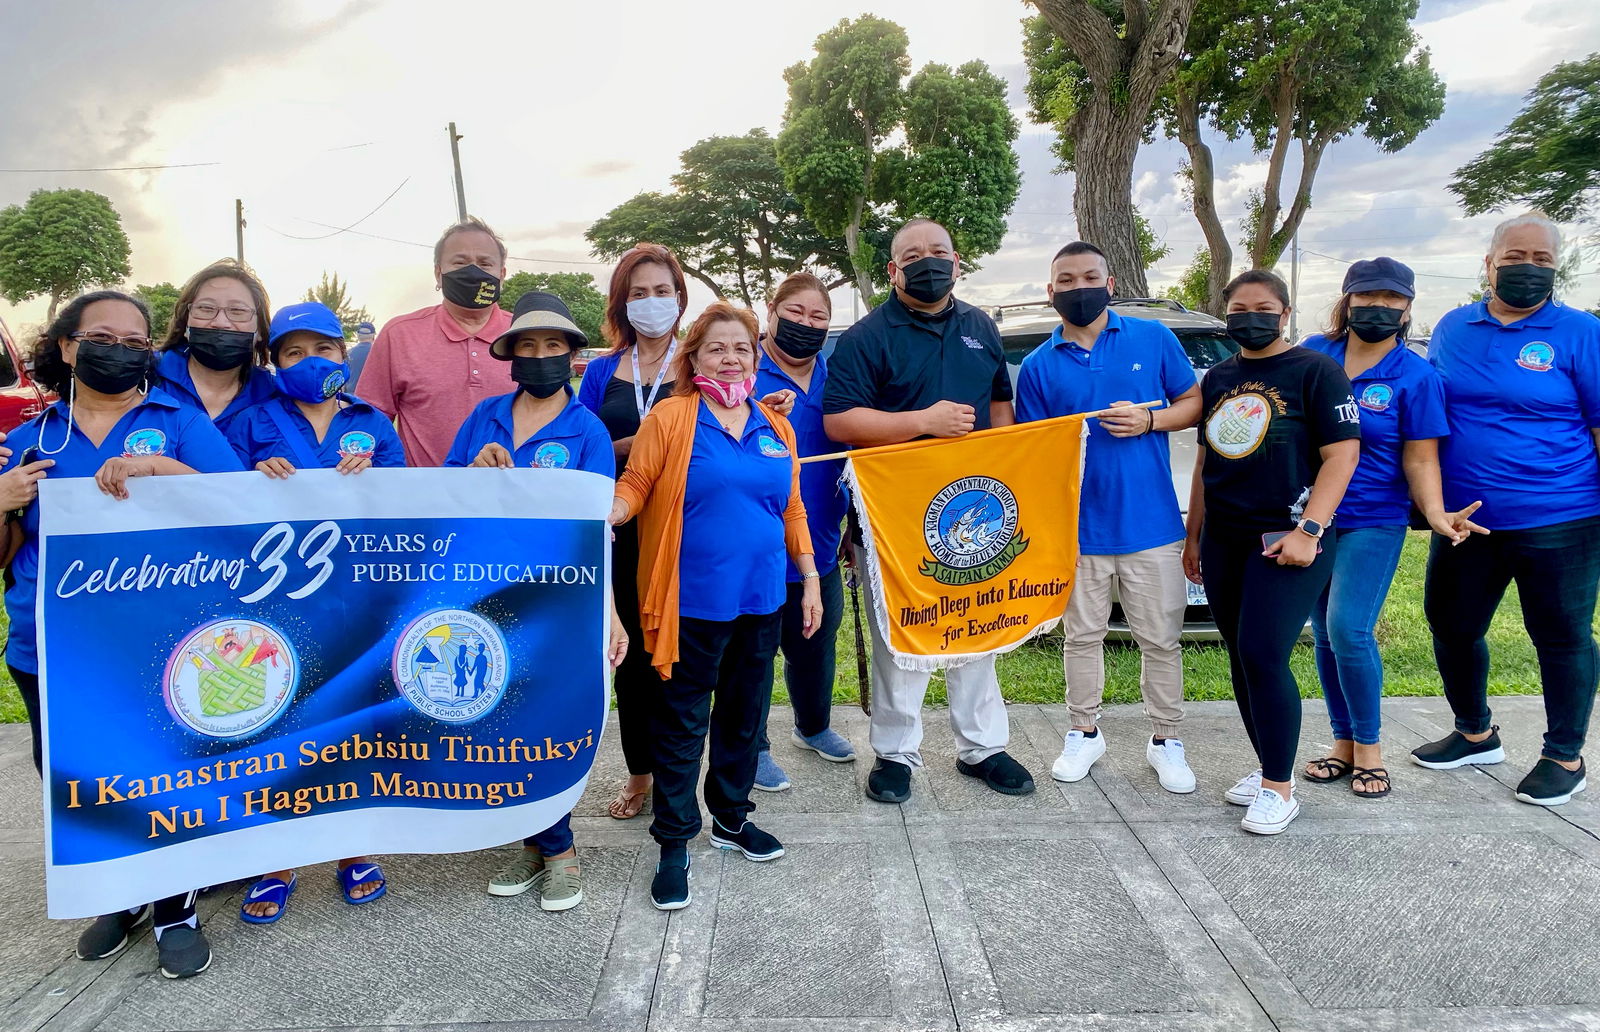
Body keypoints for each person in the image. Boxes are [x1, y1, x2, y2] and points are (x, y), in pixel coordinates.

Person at [0, 290, 241, 978]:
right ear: (69, 346)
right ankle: (120, 893)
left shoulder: (179, 423)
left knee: (163, 773)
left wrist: (162, 470)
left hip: (159, 645)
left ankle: (175, 905)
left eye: (137, 343)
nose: (121, 350)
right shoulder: (32, 438)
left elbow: (240, 510)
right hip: (49, 648)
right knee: (77, 780)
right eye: (103, 337)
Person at [609, 301, 822, 911]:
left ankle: (731, 818)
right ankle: (675, 842)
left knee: (744, 718)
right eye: (716, 348)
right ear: (693, 357)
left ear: (755, 357)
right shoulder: (673, 417)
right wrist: (614, 513)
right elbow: (638, 484)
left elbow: (793, 509)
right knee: (680, 726)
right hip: (689, 608)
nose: (731, 357)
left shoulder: (774, 426)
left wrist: (807, 577)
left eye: (741, 348)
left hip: (760, 602)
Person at [821, 217, 1033, 804]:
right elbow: (839, 421)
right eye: (912, 254)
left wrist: (1002, 465)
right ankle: (895, 752)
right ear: (893, 270)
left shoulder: (980, 326)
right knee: (902, 637)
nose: (927, 261)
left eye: (938, 251)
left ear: (957, 261)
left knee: (977, 622)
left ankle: (983, 746)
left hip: (973, 509)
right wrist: (920, 424)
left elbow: (998, 404)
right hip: (890, 519)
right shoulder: (867, 337)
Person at [446, 291, 628, 909]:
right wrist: (474, 470)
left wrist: (610, 614)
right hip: (484, 594)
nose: (541, 356)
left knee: (550, 719)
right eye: (528, 346)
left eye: (554, 347)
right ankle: (533, 846)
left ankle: (562, 852)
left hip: (557, 604)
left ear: (574, 358)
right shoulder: (484, 417)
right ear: (511, 356)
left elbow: (595, 530)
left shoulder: (588, 431)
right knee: (498, 718)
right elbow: (443, 500)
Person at [225, 301, 404, 923]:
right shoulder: (253, 422)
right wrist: (252, 476)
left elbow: (405, 500)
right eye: (292, 353)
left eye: (322, 349)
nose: (310, 362)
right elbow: (213, 500)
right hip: (276, 601)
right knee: (278, 723)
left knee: (353, 719)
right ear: (274, 363)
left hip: (356, 600)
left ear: (342, 354)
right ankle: (277, 860)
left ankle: (353, 849)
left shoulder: (372, 421)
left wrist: (374, 474)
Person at [1412, 213, 1600, 806]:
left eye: (1542, 259)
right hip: (1465, 519)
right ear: (1489, 264)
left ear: (1556, 267)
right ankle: (1475, 733)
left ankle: (1564, 756)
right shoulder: (1451, 327)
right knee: (1452, 624)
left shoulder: (1580, 331)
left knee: (1562, 636)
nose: (1528, 268)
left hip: (1561, 517)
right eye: (1515, 257)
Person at [1014, 241, 1202, 793]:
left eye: (1089, 277)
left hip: (1151, 526)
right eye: (1065, 281)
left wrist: (1150, 421)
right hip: (1079, 530)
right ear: (1051, 293)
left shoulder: (1153, 338)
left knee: (1161, 639)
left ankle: (1166, 739)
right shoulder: (1038, 366)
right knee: (1081, 637)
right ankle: (1083, 731)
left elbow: (1192, 403)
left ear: (1110, 282)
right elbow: (1034, 450)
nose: (1078, 288)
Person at [1181, 269, 1360, 835]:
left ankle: (1281, 791)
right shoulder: (1220, 377)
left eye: (1262, 308)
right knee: (1240, 655)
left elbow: (1342, 456)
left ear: (1283, 314)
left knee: (1263, 653)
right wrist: (1194, 536)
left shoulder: (1317, 371)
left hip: (1288, 536)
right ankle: (1268, 771)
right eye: (1237, 308)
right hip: (1225, 536)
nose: (1248, 317)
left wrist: (1309, 530)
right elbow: (1209, 461)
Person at [1299, 259, 1484, 799]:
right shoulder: (1315, 353)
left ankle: (1371, 751)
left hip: (1373, 519)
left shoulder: (1416, 376)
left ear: (1407, 307)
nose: (1377, 307)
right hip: (1309, 518)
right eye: (1366, 296)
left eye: (1390, 299)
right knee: (1325, 636)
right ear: (1347, 300)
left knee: (1349, 629)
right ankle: (1343, 745)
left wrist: (1434, 512)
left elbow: (1421, 460)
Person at [577, 243, 687, 821]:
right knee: (632, 659)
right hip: (618, 532)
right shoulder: (600, 372)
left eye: (661, 291)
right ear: (623, 303)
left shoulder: (696, 362)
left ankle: (681, 771)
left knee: (681, 655)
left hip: (681, 532)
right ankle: (641, 773)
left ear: (679, 296)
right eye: (638, 293)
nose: (652, 302)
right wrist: (639, 445)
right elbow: (586, 447)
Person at [750, 272, 856, 792]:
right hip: (757, 546)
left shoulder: (840, 377)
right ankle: (753, 746)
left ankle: (812, 727)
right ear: (771, 310)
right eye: (795, 312)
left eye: (818, 316)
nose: (805, 324)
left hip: (822, 542)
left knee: (815, 642)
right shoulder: (743, 371)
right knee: (753, 654)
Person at [359, 216, 515, 466]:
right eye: (460, 262)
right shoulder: (399, 334)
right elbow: (371, 422)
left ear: (501, 274)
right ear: (438, 273)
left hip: (510, 498)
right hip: (425, 498)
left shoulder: (524, 335)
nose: (473, 271)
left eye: (485, 263)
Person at [154, 260, 277, 435]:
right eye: (206, 308)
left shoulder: (274, 394)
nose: (220, 322)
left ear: (261, 331)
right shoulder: (145, 377)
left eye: (237, 311)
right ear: (185, 322)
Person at [346, 320, 376, 391]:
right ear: (373, 335)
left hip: (351, 397)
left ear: (358, 335)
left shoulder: (348, 353)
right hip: (372, 397)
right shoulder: (380, 352)